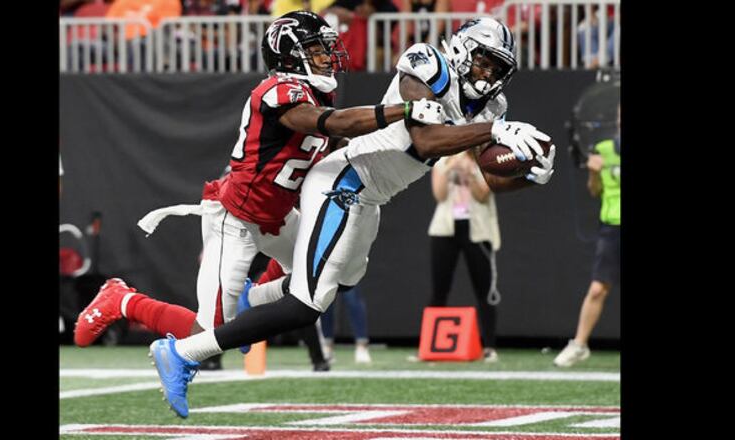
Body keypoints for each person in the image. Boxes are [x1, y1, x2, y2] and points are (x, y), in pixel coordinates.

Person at [148, 16, 556, 418]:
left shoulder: (492, 106)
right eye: (484, 60)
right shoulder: (427, 63)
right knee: (308, 304)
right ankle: (182, 352)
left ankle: (250, 297)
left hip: (372, 197)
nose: (487, 73)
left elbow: (490, 179)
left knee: (347, 280)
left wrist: (530, 175)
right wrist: (492, 132)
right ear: (464, 50)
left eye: (497, 67)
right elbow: (425, 138)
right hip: (342, 182)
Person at [73, 11, 442, 367]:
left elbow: (332, 142)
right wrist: (401, 109)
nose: (328, 57)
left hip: (278, 216)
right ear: (291, 55)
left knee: (326, 271)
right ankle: (122, 300)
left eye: (326, 48)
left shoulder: (317, 92)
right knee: (210, 334)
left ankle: (252, 299)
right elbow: (330, 124)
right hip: (238, 218)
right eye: (317, 49)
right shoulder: (278, 91)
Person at [553, 103, 620, 368]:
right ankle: (580, 344)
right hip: (612, 226)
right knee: (597, 288)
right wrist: (594, 173)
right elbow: (595, 191)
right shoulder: (603, 150)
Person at [427, 150, 502, 362]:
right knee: (439, 289)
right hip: (445, 228)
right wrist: (451, 168)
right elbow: (439, 194)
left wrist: (469, 174)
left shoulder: (485, 162)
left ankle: (489, 346)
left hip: (478, 230)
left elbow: (483, 194)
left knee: (484, 290)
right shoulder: (442, 161)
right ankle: (431, 344)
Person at [320, 285, 372, 363]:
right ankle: (328, 347)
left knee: (352, 297)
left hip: (347, 273)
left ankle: (362, 346)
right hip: (325, 273)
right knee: (326, 300)